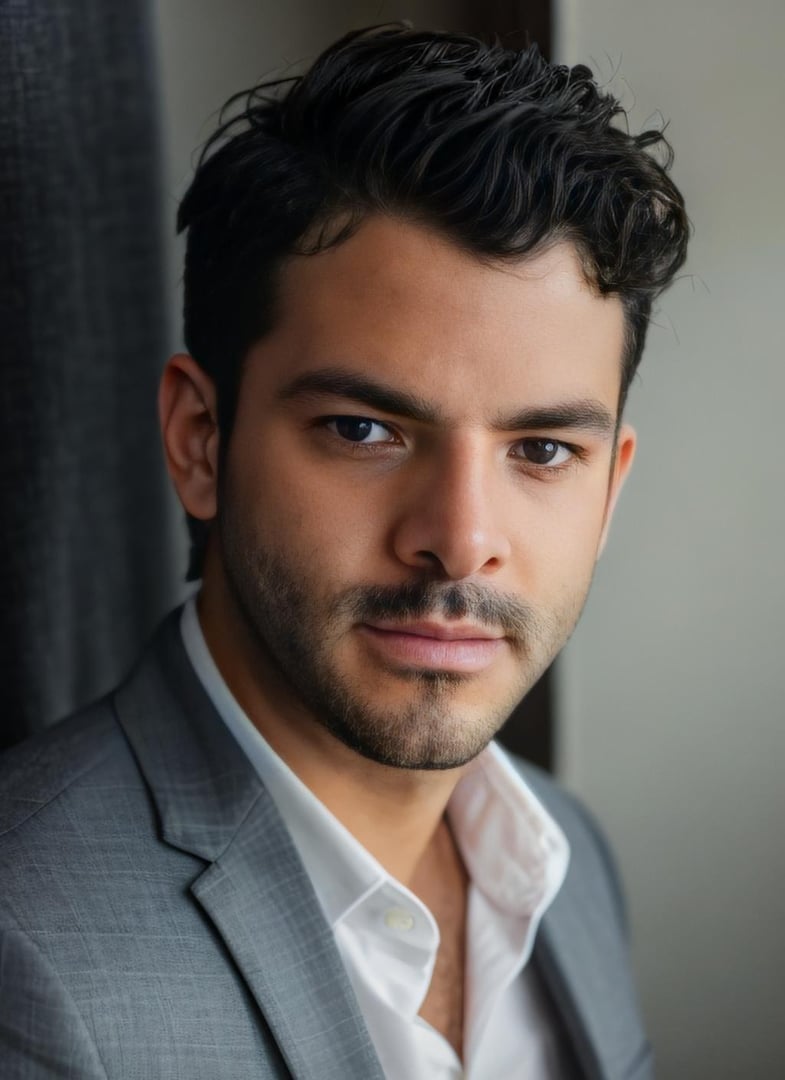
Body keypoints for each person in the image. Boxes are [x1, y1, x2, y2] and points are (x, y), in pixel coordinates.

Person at [0, 24, 688, 1080]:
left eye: (542, 449)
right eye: (364, 430)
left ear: (608, 490)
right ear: (200, 441)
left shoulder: (567, 859)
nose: (459, 541)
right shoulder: (26, 948)